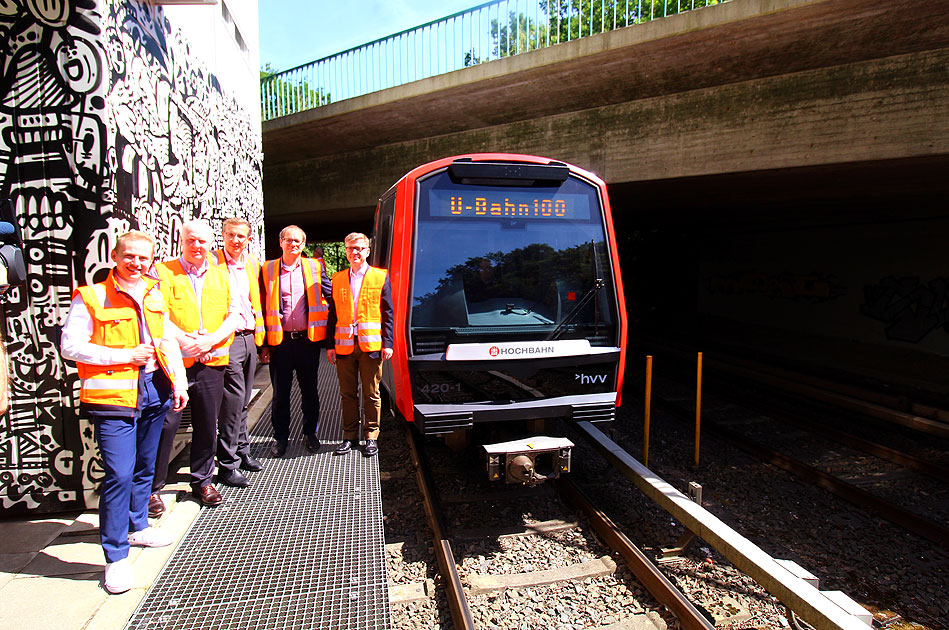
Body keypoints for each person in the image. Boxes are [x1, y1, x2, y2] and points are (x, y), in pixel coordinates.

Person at [60, 230, 188, 594]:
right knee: (119, 473)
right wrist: (122, 356)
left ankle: (138, 528)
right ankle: (114, 559)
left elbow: (166, 341)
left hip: (154, 390)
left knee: (146, 466)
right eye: (129, 256)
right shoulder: (93, 296)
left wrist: (178, 382)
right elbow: (70, 346)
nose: (136, 263)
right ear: (116, 257)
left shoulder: (153, 292)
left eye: (143, 258)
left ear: (151, 260)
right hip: (114, 397)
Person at [151, 219, 238, 510]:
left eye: (202, 241)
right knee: (166, 423)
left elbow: (234, 314)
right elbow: (156, 314)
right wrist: (184, 341)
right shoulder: (163, 272)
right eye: (191, 240)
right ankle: (152, 488)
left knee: (206, 422)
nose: (197, 246)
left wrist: (209, 340)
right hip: (173, 361)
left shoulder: (222, 274)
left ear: (210, 243)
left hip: (210, 360)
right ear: (182, 241)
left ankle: (202, 481)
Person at [260, 225, 331, 457]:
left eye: (298, 241)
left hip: (307, 342)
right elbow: (260, 305)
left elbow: (332, 293)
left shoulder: (314, 267)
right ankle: (281, 437)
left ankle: (310, 433)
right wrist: (263, 345)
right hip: (280, 343)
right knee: (281, 393)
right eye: (288, 240)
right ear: (280, 242)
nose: (293, 244)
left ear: (304, 244)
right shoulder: (267, 269)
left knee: (310, 391)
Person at [327, 232, 393, 457]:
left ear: (367, 251)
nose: (354, 252)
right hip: (344, 346)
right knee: (347, 394)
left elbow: (388, 313)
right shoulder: (337, 279)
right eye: (350, 248)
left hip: (371, 346)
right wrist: (329, 345)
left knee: (372, 393)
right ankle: (349, 437)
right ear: (346, 251)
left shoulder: (380, 277)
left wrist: (389, 342)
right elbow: (332, 314)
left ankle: (371, 436)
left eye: (359, 248)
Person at [211, 217, 265, 489]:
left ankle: (243, 451)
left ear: (248, 239)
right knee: (232, 403)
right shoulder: (211, 264)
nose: (235, 240)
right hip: (227, 340)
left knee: (243, 398)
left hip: (249, 337)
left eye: (240, 236)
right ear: (222, 236)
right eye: (230, 235)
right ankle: (227, 464)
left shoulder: (252, 264)